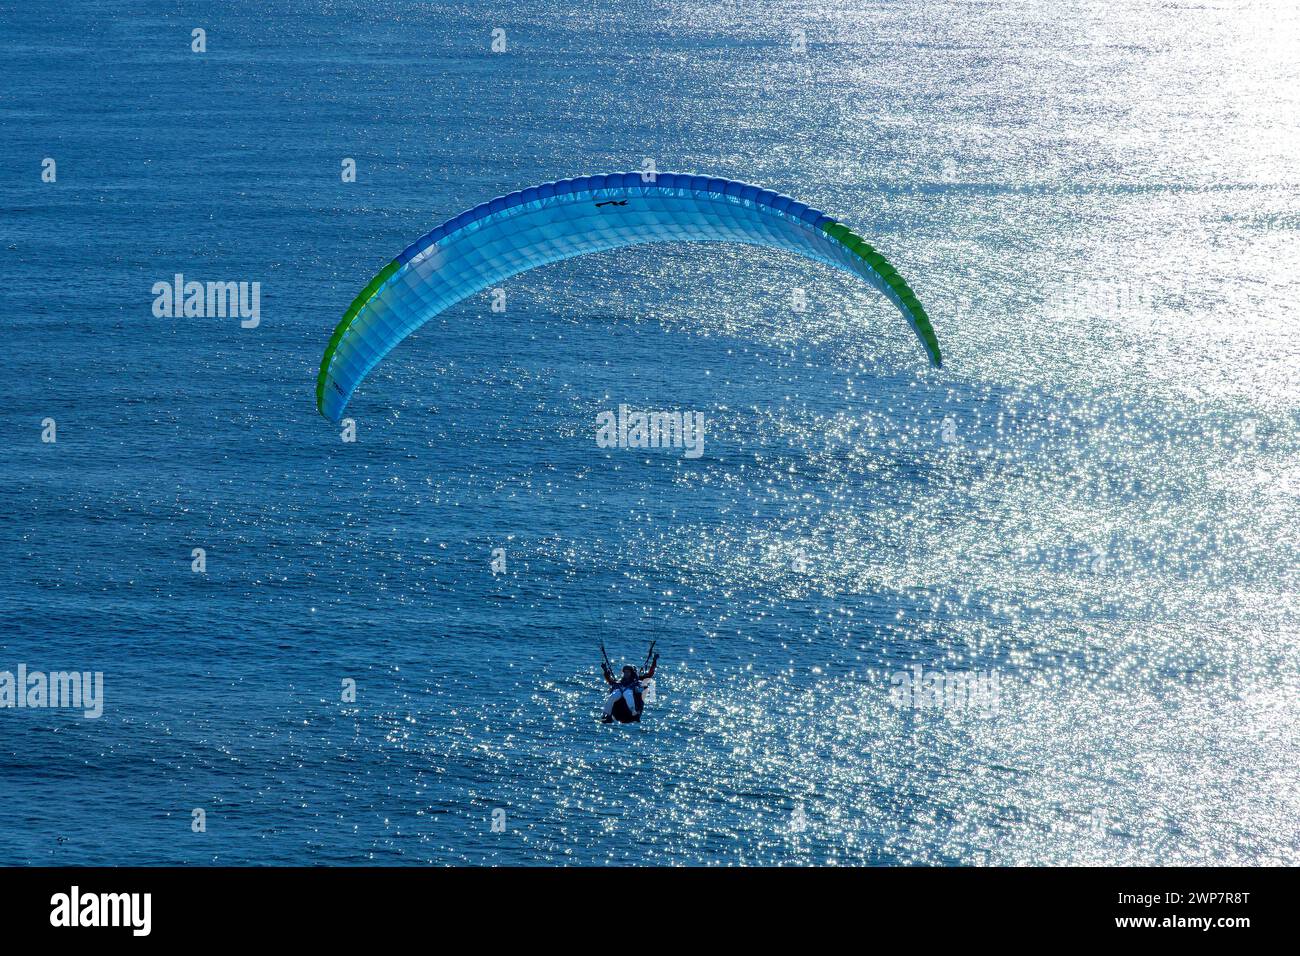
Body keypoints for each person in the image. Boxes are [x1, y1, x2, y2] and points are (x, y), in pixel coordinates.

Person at [601, 651, 658, 723]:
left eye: (628, 672)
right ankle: (606, 715)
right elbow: (610, 681)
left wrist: (654, 661)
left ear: (632, 673)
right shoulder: (619, 682)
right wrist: (605, 670)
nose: (626, 673)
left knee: (628, 694)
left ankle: (633, 711)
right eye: (625, 672)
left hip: (632, 708)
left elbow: (650, 674)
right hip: (619, 709)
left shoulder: (637, 682)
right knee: (612, 696)